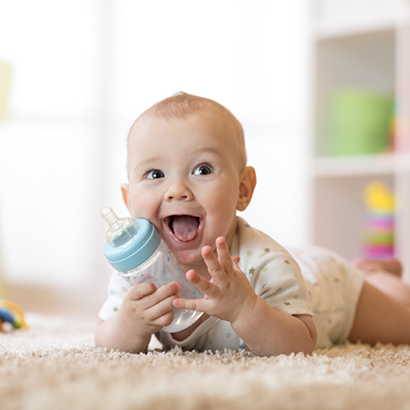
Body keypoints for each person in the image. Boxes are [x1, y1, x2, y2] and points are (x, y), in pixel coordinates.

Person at [95, 92, 410, 356]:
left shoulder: (264, 262)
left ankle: (376, 274)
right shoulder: (140, 272)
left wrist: (247, 310)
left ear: (243, 190)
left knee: (403, 320)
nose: (177, 190)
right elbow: (105, 338)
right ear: (128, 200)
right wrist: (127, 326)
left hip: (328, 288)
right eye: (154, 175)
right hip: (300, 264)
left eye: (202, 170)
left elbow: (300, 345)